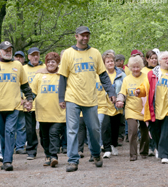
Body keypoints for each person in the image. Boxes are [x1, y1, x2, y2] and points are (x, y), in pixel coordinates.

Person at [58, 26, 116, 172]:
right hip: (72, 97)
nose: (85, 38)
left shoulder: (95, 53)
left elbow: (103, 75)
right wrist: (61, 97)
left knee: (94, 129)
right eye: (82, 35)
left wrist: (111, 91)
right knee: (72, 130)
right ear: (76, 36)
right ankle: (72, 160)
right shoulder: (68, 54)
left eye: (87, 35)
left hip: (90, 98)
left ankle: (96, 154)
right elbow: (63, 77)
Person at [0, 41, 33, 171]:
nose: (8, 52)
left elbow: (25, 86)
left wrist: (29, 99)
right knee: (2, 133)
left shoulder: (18, 65)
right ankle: (4, 157)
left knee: (10, 131)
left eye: (10, 50)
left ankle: (8, 161)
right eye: (5, 50)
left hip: (13, 106)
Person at [31, 52, 65, 167]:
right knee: (44, 135)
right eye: (49, 62)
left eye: (53, 62)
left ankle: (54, 155)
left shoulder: (62, 76)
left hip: (58, 112)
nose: (51, 64)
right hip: (43, 111)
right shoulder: (39, 75)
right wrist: (28, 101)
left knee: (54, 133)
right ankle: (47, 155)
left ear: (58, 63)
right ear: (46, 63)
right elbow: (33, 92)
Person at [116, 56, 149, 161]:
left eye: (138, 67)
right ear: (130, 68)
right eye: (133, 67)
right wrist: (120, 100)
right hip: (131, 109)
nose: (136, 69)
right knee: (133, 131)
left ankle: (144, 152)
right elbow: (122, 92)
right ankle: (133, 154)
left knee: (145, 132)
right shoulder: (126, 79)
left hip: (144, 108)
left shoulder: (146, 77)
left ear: (141, 67)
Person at [101, 51, 126, 158]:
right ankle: (106, 149)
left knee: (115, 128)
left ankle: (113, 145)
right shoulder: (101, 75)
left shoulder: (121, 74)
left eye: (112, 61)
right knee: (105, 126)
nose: (110, 63)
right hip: (104, 104)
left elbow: (125, 87)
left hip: (117, 105)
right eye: (108, 62)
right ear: (104, 63)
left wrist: (122, 99)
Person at [23, 47, 46, 160]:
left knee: (44, 128)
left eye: (37, 54)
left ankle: (47, 148)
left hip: (43, 103)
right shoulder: (23, 69)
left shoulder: (45, 68)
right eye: (33, 55)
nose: (35, 57)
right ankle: (31, 151)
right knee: (30, 129)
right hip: (29, 104)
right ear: (28, 57)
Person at [13, 51, 27, 154]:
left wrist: (26, 99)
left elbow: (26, 86)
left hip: (23, 102)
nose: (18, 59)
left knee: (21, 125)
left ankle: (20, 146)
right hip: (11, 102)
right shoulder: (11, 69)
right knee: (10, 126)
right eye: (16, 57)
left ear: (24, 59)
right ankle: (11, 145)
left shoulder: (25, 69)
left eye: (20, 57)